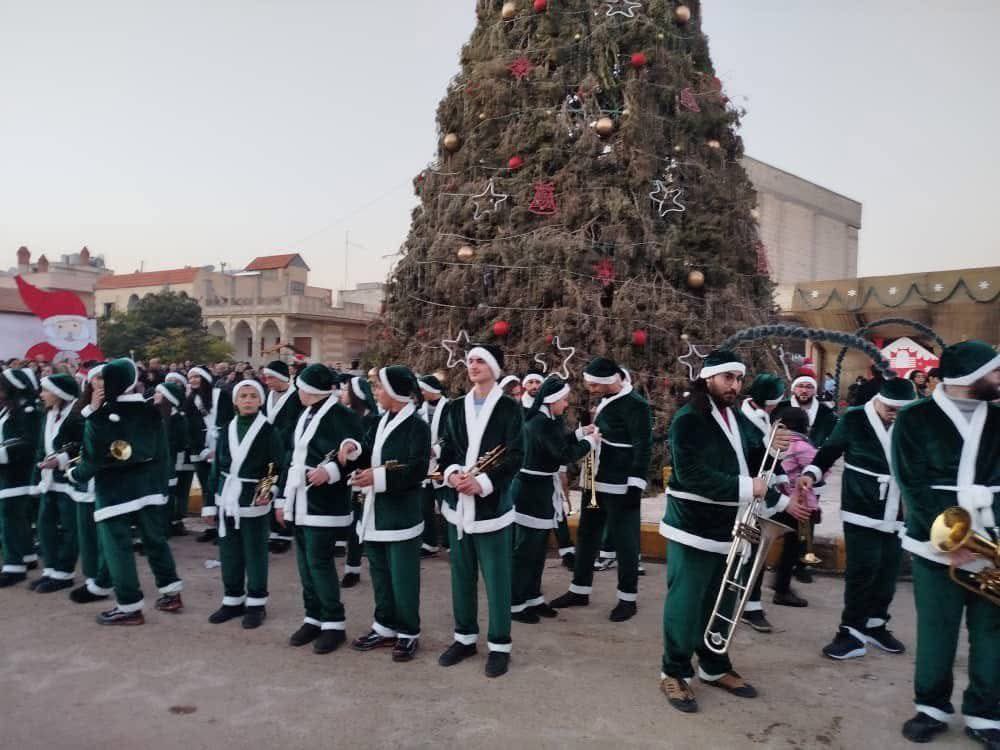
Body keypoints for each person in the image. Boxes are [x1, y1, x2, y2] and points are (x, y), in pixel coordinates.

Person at [657, 350, 804, 714]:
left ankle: (713, 665)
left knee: (721, 601)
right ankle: (673, 671)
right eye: (727, 378)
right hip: (692, 525)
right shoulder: (688, 419)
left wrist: (776, 451)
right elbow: (691, 475)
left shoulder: (735, 417)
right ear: (708, 378)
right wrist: (748, 488)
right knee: (685, 604)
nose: (734, 386)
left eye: (738, 379)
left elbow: (752, 460)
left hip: (732, 527)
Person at [892, 341, 999, 746]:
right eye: (996, 371)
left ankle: (986, 714)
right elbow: (912, 483)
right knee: (937, 629)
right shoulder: (915, 418)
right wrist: (948, 538)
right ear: (969, 377)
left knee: (992, 631)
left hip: (994, 540)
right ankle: (931, 707)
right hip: (934, 543)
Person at [799, 378, 917, 661]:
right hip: (861, 505)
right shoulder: (854, 418)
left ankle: (876, 625)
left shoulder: (911, 421)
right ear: (879, 399)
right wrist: (811, 474)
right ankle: (850, 632)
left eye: (902, 410)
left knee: (889, 570)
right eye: (890, 408)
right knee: (862, 571)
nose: (895, 415)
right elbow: (830, 450)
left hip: (898, 508)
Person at [67, 358, 183, 625]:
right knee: (156, 542)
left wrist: (74, 473)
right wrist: (160, 485)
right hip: (150, 488)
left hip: (115, 493)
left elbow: (94, 457)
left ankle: (129, 606)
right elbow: (161, 452)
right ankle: (171, 592)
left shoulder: (104, 415)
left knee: (117, 548)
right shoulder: (151, 410)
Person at [437, 344, 524, 678]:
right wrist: (452, 474)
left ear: (494, 367)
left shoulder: (508, 409)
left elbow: (516, 455)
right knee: (461, 576)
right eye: (470, 360)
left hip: (492, 508)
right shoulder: (455, 407)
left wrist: (484, 482)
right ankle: (464, 638)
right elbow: (445, 450)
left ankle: (500, 645)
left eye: (479, 361)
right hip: (457, 507)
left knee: (497, 579)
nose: (472, 365)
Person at [551, 357, 652, 623]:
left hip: (621, 485)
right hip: (595, 480)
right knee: (587, 535)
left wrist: (636, 483)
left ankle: (627, 599)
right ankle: (579, 590)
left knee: (625, 542)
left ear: (609, 381)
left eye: (594, 384)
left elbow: (643, 446)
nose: (590, 388)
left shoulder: (637, 405)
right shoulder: (607, 399)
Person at [276, 363, 363, 655]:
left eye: (300, 387)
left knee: (319, 562)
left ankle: (334, 623)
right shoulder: (305, 414)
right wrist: (281, 499)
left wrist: (331, 470)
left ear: (311, 390)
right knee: (304, 564)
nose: (297, 392)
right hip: (299, 498)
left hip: (324, 501)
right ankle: (313, 617)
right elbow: (290, 456)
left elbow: (355, 451)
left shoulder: (342, 415)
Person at [348, 366, 431, 662]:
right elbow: (369, 449)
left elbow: (416, 467)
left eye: (380, 387)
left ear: (395, 392)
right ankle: (384, 626)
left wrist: (378, 477)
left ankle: (408, 632)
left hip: (401, 514)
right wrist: (354, 449)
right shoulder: (381, 420)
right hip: (375, 512)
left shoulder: (417, 427)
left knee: (403, 576)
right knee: (380, 573)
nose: (376, 393)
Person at [510, 375, 597, 624]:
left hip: (541, 489)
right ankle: (515, 603)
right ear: (550, 401)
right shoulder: (539, 423)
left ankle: (533, 597)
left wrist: (580, 433)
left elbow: (560, 441)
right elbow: (563, 454)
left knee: (538, 549)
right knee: (526, 550)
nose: (566, 404)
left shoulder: (549, 420)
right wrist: (590, 443)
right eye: (563, 400)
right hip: (530, 491)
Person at [204, 380, 284, 630]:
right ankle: (232, 599)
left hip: (253, 497)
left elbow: (275, 465)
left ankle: (256, 603)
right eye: (243, 396)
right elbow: (217, 468)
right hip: (227, 497)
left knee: (255, 553)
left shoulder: (269, 431)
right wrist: (210, 504)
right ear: (235, 401)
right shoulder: (226, 428)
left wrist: (266, 490)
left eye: (252, 396)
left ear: (260, 401)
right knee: (229, 552)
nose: (248, 400)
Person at [738, 372, 786, 633]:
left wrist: (781, 476)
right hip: (747, 497)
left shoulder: (762, 417)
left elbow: (771, 459)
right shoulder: (745, 422)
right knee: (747, 554)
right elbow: (756, 459)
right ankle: (748, 606)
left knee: (754, 554)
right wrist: (781, 498)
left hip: (759, 494)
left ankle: (751, 604)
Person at [31, 373, 85, 593]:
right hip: (48, 481)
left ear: (59, 393)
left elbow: (83, 447)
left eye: (46, 390)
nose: (42, 395)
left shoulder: (76, 415)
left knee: (70, 529)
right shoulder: (49, 413)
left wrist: (62, 459)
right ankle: (50, 569)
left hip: (68, 482)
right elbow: (41, 446)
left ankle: (64, 573)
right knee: (45, 527)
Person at [0, 367, 43, 587]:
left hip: (19, 472)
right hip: (8, 471)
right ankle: (27, 556)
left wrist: (2, 452)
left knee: (10, 517)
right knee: (16, 517)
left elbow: (28, 443)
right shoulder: (10, 409)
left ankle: (13, 566)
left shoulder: (29, 411)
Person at [261, 360, 304, 554]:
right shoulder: (267, 396)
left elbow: (296, 426)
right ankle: (273, 531)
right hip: (269, 451)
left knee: (284, 491)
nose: (267, 381)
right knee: (268, 487)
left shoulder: (296, 398)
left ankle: (285, 533)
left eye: (270, 377)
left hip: (288, 451)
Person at [341, 375, 380, 586]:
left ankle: (363, 566)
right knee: (353, 524)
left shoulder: (373, 419)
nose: (342, 394)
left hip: (366, 478)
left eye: (346, 391)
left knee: (363, 522)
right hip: (348, 478)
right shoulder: (347, 416)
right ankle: (352, 568)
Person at [417, 374, 450, 558]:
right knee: (425, 504)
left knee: (443, 501)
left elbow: (451, 434)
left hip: (440, 465)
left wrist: (436, 449)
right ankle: (429, 542)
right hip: (425, 466)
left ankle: (449, 542)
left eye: (423, 389)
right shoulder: (420, 409)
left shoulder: (449, 407)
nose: (421, 393)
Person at [153, 381, 189, 538]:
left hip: (168, 464)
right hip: (153, 464)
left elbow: (181, 444)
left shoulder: (178, 419)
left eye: (159, 393)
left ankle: (164, 529)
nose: (155, 395)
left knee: (166, 497)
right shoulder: (155, 414)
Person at [164, 372, 194, 536]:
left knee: (183, 487)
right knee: (169, 487)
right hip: (170, 455)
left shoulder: (189, 402)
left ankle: (178, 519)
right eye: (170, 381)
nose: (173, 383)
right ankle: (168, 519)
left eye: (176, 381)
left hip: (186, 452)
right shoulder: (162, 406)